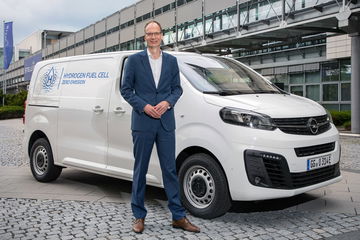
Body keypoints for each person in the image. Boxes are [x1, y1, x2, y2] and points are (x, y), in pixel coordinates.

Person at [121, 20, 200, 234]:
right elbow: (126, 90)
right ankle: (138, 216)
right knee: (140, 170)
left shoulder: (172, 61)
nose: (153, 37)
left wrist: (167, 102)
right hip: (143, 122)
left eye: (156, 33)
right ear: (144, 37)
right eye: (149, 34)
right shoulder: (134, 61)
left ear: (162, 36)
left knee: (170, 170)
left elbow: (177, 89)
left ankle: (178, 217)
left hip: (165, 122)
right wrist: (145, 106)